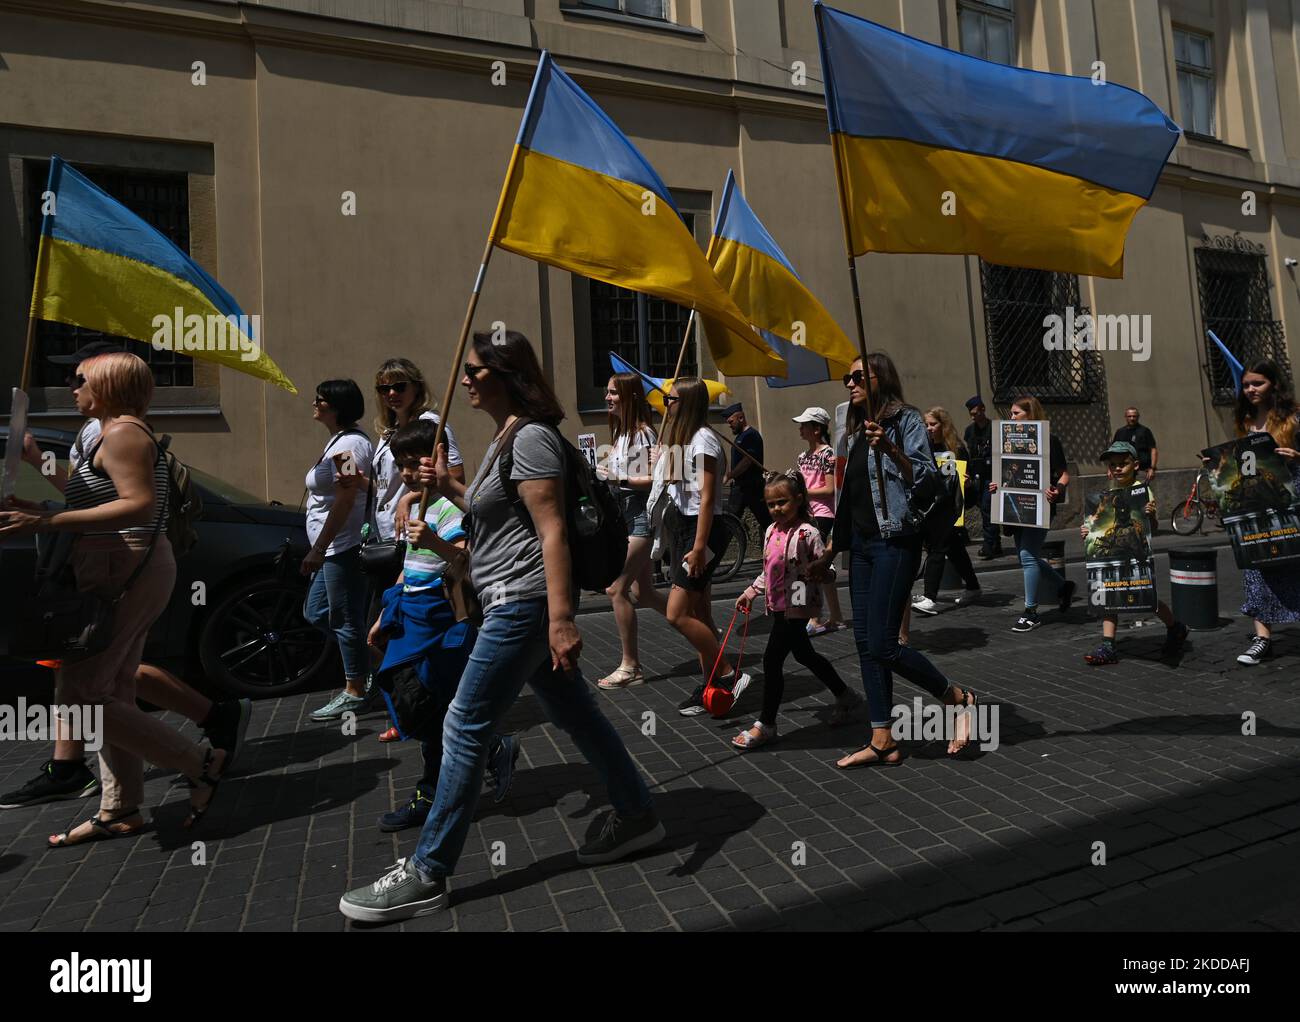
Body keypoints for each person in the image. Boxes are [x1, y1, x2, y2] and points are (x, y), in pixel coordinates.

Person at [338, 330, 663, 923]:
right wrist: (451, 488)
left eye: (474, 370)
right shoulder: (506, 435)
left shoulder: (532, 437)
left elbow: (552, 531)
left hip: (524, 602)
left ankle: (428, 871)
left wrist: (561, 619)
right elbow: (498, 518)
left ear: (506, 374)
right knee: (576, 714)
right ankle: (638, 814)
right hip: (509, 599)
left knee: (464, 724)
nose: (463, 380)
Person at [2, 342, 250, 810]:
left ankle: (199, 761)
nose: (71, 387)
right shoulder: (102, 432)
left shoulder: (124, 435)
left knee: (81, 696)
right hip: (111, 560)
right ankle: (121, 808)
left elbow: (139, 505)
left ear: (107, 386)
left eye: (80, 379)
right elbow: (89, 494)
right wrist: (36, 501)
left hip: (126, 563)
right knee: (110, 688)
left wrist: (45, 522)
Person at [808, 354, 979, 768]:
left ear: (880, 378)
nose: (849, 384)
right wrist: (832, 547)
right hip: (862, 547)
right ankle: (882, 738)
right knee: (865, 643)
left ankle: (958, 698)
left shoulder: (906, 421)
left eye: (857, 377)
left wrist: (889, 446)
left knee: (885, 643)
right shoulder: (849, 434)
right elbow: (848, 498)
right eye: (846, 378)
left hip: (896, 540)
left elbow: (926, 479)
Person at [367, 419, 518, 832]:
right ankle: (483, 755)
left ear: (436, 460)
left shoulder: (452, 508)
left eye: (415, 463)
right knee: (416, 700)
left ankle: (433, 792)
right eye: (401, 465)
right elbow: (410, 566)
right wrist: (386, 611)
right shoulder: (418, 504)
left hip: (442, 619)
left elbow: (465, 562)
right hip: (410, 612)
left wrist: (433, 540)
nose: (407, 473)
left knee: (429, 703)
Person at [366, 358, 465, 741]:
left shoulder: (433, 425)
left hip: (431, 539)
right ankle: (414, 715)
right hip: (409, 548)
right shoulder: (389, 430)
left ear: (416, 387)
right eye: (384, 388)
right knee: (383, 639)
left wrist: (408, 500)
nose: (391, 394)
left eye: (399, 386)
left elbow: (450, 479)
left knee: (411, 657)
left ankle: (427, 718)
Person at [731, 471, 859, 750]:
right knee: (804, 653)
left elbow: (828, 569)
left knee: (771, 660)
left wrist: (822, 573)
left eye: (782, 502)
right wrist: (751, 592)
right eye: (771, 504)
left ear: (798, 500)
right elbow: (768, 569)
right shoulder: (770, 531)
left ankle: (766, 724)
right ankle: (844, 694)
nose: (777, 509)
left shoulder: (809, 533)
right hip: (777, 605)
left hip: (799, 605)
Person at [663, 380, 752, 717]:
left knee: (677, 613)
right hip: (686, 528)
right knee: (699, 612)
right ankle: (711, 686)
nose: (665, 403)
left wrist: (699, 547)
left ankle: (730, 674)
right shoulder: (684, 440)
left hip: (703, 533)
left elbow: (707, 498)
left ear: (684, 402)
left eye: (670, 398)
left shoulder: (703, 441)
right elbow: (676, 485)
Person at [303, 380, 376, 722]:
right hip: (332, 547)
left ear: (338, 407)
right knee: (316, 611)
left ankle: (356, 689)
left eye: (322, 400)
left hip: (341, 547)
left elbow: (347, 498)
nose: (315, 403)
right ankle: (375, 664)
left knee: (343, 619)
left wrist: (320, 547)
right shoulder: (338, 441)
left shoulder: (347, 447)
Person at [1080, 442, 1188, 665]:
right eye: (1113, 465)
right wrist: (1088, 532)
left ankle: (1175, 626)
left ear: (1135, 465)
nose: (1118, 468)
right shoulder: (1108, 495)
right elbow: (1101, 527)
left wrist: (1150, 516)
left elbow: (1152, 528)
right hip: (1115, 553)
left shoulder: (1142, 489)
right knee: (1109, 596)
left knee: (1147, 597)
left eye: (1123, 464)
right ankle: (1108, 645)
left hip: (1136, 553)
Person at [595, 372, 668, 689]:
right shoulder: (622, 433)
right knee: (644, 592)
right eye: (606, 392)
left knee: (617, 589)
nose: (607, 398)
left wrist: (615, 478)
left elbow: (650, 480)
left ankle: (631, 666)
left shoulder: (642, 434)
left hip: (641, 521)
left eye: (613, 393)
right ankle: (699, 625)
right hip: (627, 519)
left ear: (629, 397)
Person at [1231, 360, 1300, 666]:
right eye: (1246, 385)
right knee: (1256, 567)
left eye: (1257, 383)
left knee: (1294, 563)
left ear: (1273, 384)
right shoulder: (1244, 420)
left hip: (1291, 499)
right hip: (1256, 504)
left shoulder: (1294, 417)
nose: (1250, 390)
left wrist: (1298, 456)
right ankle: (1263, 638)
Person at [989, 396, 1077, 633]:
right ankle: (1063, 586)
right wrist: (996, 486)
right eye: (1011, 413)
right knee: (1026, 556)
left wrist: (1056, 490)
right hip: (1014, 507)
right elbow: (1003, 472)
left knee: (1028, 556)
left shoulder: (1049, 440)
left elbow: (1064, 474)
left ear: (1031, 414)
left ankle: (1030, 612)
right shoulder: (1007, 440)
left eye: (1016, 413)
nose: (1012, 417)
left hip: (1039, 506)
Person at [912, 406, 981, 615]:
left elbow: (966, 476)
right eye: (926, 425)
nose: (929, 428)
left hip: (950, 508)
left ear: (944, 425)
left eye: (933, 424)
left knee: (937, 549)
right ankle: (973, 587)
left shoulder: (956, 448)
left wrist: (967, 483)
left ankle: (930, 597)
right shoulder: (923, 448)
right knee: (954, 549)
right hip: (931, 507)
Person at [793, 407, 846, 636]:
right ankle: (834, 617)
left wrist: (802, 491)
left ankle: (815, 618)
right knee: (820, 567)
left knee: (812, 565)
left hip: (823, 515)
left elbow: (829, 488)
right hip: (807, 513)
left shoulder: (828, 455)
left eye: (804, 424)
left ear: (817, 429)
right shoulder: (802, 457)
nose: (800, 428)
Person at [722, 403, 770, 530]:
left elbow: (747, 461)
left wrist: (730, 475)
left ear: (741, 418)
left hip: (752, 486)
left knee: (766, 520)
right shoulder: (740, 437)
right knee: (731, 520)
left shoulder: (751, 435)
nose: (729, 425)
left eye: (731, 421)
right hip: (740, 487)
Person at [963, 396, 1000, 559]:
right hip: (977, 475)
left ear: (983, 409)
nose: (973, 417)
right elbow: (970, 454)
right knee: (984, 509)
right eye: (971, 414)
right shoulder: (970, 431)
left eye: (976, 413)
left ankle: (988, 544)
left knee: (987, 508)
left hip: (992, 475)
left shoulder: (994, 428)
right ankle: (996, 543)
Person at [1112, 407, 1158, 482]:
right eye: (1129, 416)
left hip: (1142, 471)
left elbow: (1153, 450)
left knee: (1143, 492)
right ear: (1126, 417)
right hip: (1124, 472)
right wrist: (1110, 469)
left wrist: (1152, 468)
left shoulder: (1145, 431)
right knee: (1125, 492)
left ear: (1138, 417)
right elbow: (1113, 451)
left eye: (1134, 416)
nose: (1132, 418)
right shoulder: (1120, 432)